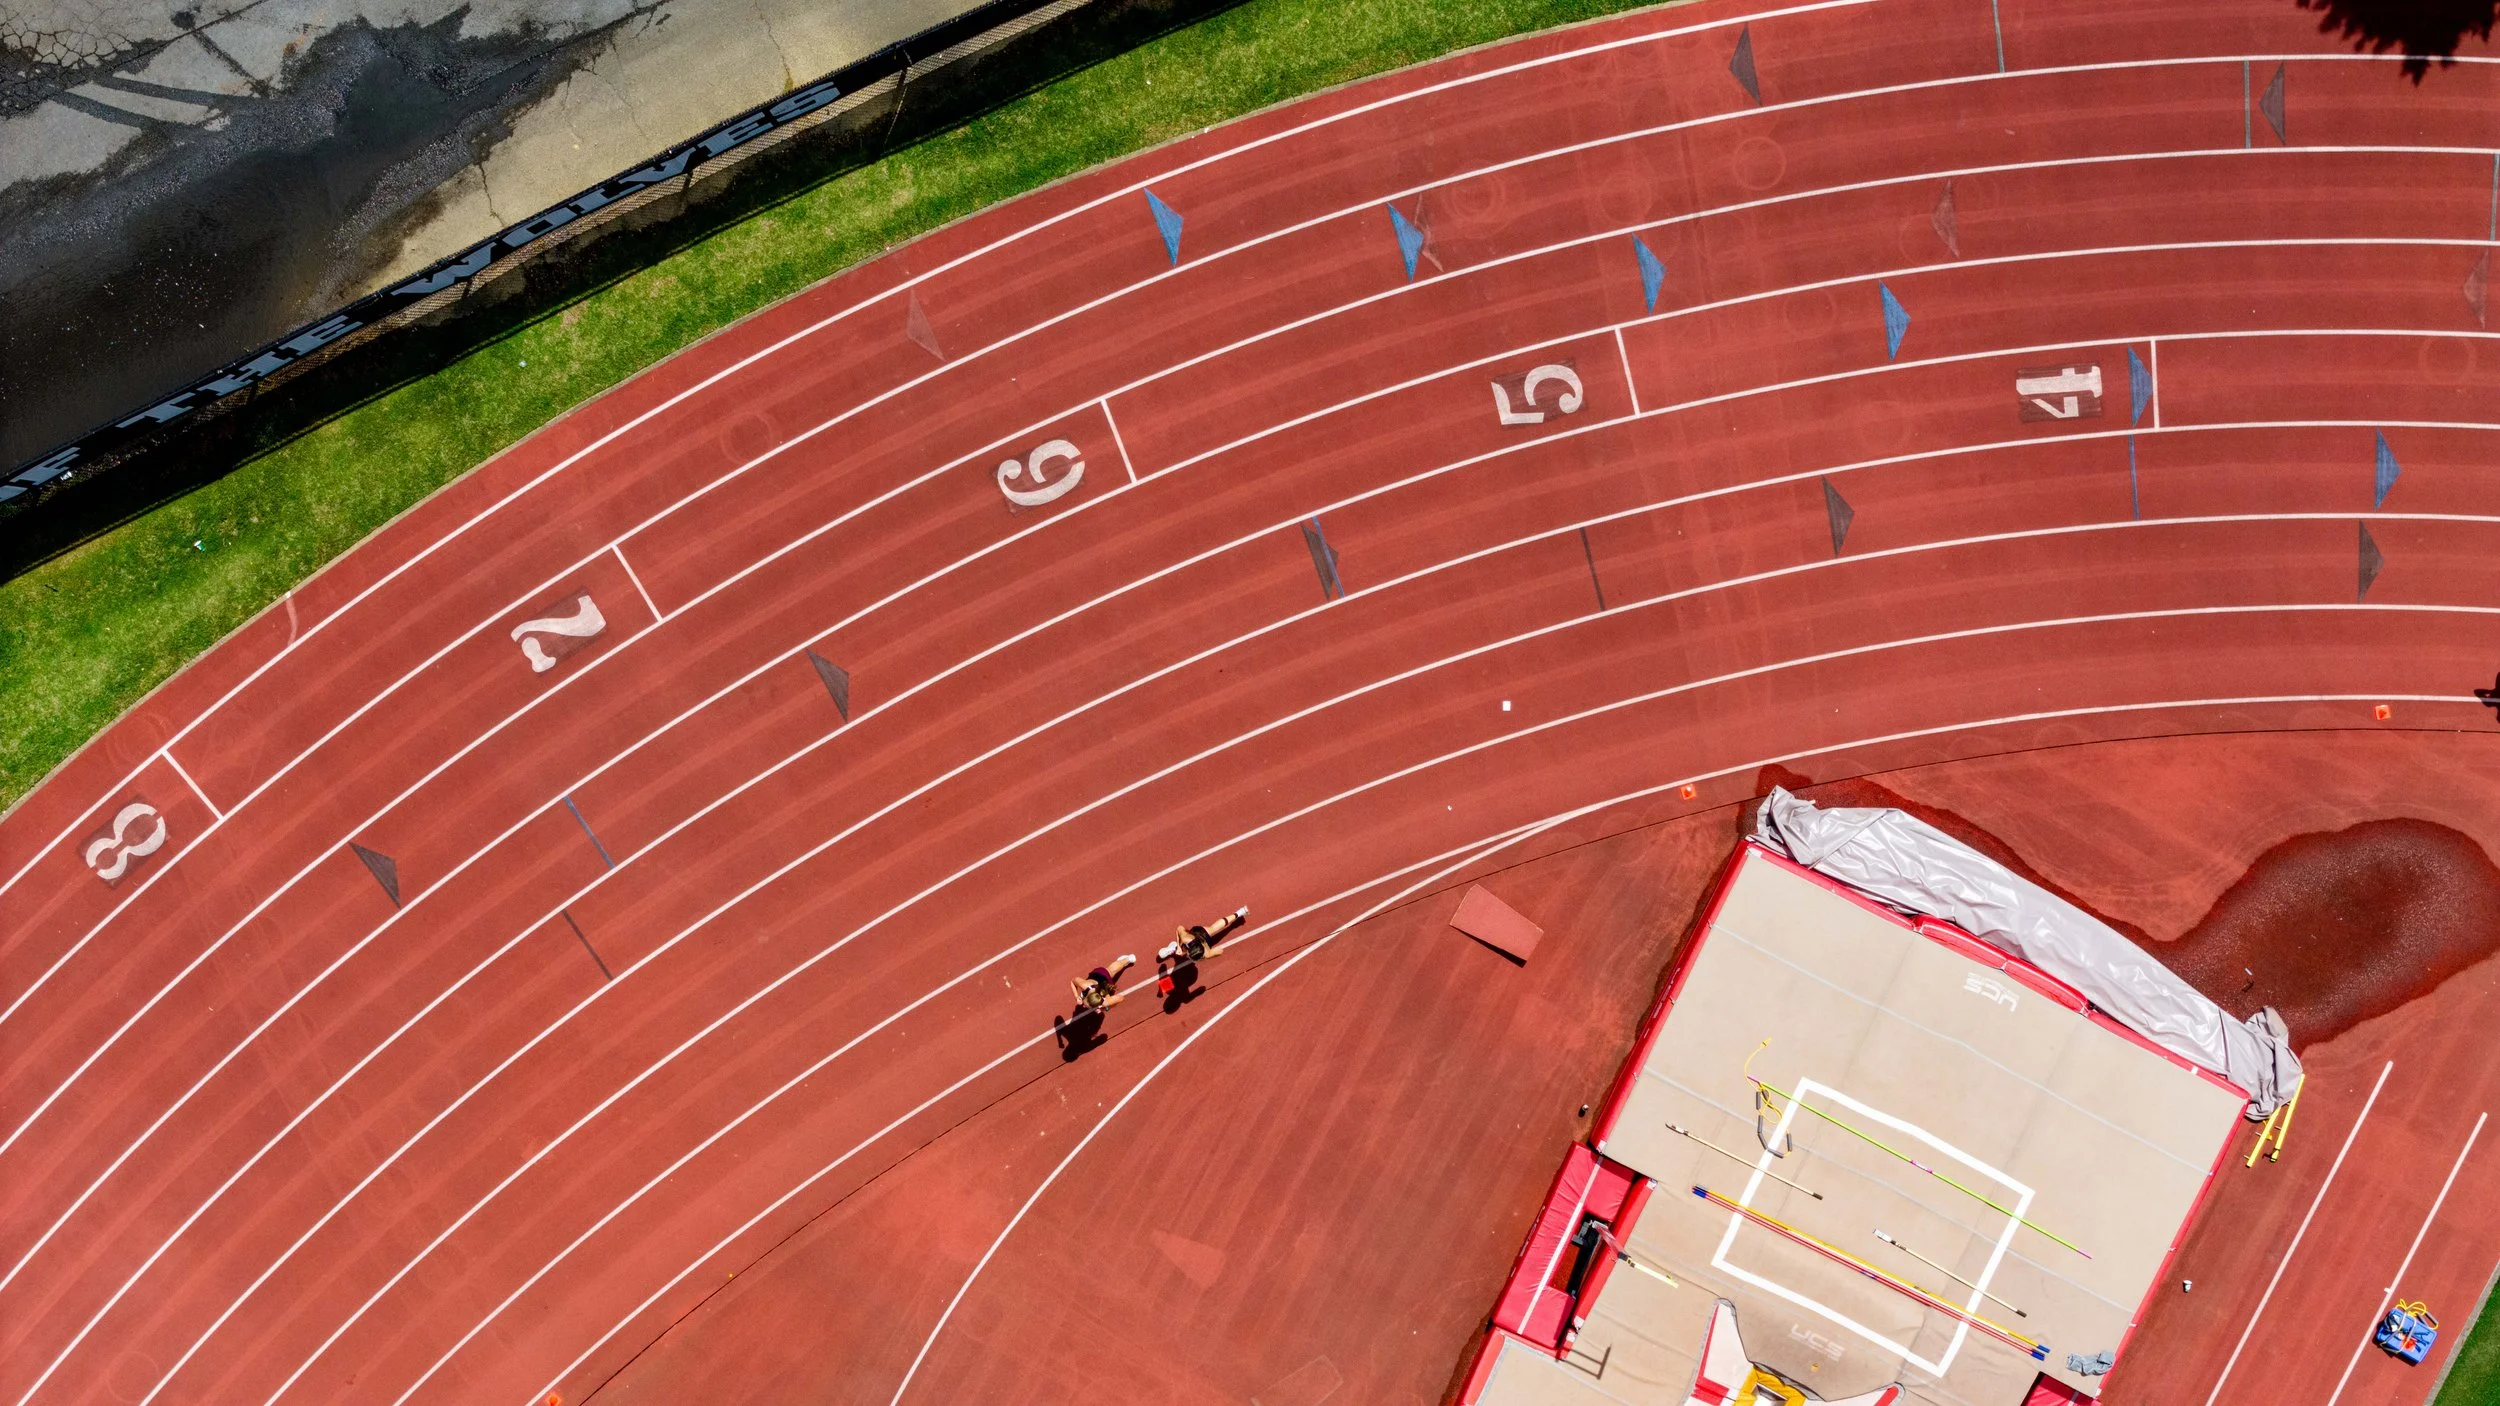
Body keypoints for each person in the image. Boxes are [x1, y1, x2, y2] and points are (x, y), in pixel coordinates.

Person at [1159, 905, 1248, 972]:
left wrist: (1209, 955)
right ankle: (1175, 947)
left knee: (1213, 928)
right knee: (1212, 929)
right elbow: (1179, 928)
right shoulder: (1186, 939)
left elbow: (1220, 951)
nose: (1189, 957)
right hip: (1199, 932)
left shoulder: (1205, 953)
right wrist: (1179, 946)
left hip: (1205, 940)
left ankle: (1240, 912)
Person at [1070, 953, 1137, 1013]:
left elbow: (1121, 998)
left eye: (1086, 1006)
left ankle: (1127, 959)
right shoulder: (1084, 985)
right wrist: (1076, 996)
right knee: (1110, 970)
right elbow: (1073, 981)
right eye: (1085, 1005)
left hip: (1103, 978)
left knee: (1111, 971)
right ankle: (1125, 960)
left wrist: (1105, 1008)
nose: (1083, 1006)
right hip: (1099, 975)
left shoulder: (1106, 1002)